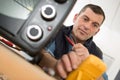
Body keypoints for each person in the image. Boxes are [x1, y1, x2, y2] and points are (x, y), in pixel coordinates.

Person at [39, 4, 108, 80]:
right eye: (85, 19)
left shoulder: (97, 53)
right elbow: (37, 51)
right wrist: (56, 65)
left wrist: (89, 63)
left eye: (94, 25)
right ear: (75, 18)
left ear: (96, 32)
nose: (87, 27)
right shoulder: (56, 29)